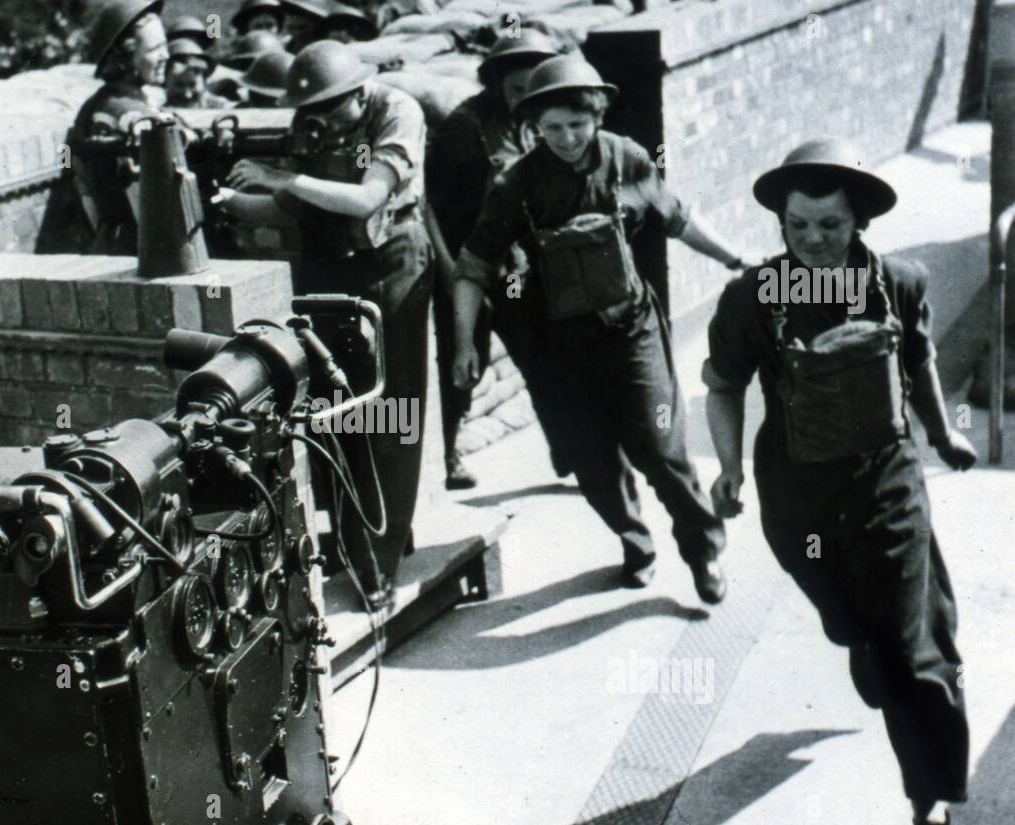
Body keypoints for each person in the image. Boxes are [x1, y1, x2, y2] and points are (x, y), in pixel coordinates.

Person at [703, 139, 974, 825]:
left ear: (858, 221)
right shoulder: (753, 298)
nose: (814, 240)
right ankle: (864, 641)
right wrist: (729, 467)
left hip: (887, 479)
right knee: (853, 625)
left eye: (830, 224)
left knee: (911, 645)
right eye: (799, 226)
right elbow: (723, 385)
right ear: (782, 226)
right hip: (798, 500)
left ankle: (930, 798)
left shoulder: (901, 281)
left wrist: (943, 436)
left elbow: (919, 360)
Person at [451, 57, 753, 603]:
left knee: (662, 451)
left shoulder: (628, 159)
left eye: (577, 124)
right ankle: (634, 539)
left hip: (631, 331)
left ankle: (703, 550)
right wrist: (461, 346)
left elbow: (678, 218)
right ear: (533, 128)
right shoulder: (516, 185)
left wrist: (736, 259)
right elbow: (473, 267)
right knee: (592, 465)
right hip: (559, 349)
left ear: (596, 116)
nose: (566, 138)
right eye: (552, 128)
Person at [218, 40, 432, 610]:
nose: (322, 122)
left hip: (391, 269)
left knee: (391, 414)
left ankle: (377, 566)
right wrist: (232, 199)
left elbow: (367, 198)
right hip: (328, 269)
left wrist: (278, 178)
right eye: (313, 111)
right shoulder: (313, 123)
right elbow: (291, 208)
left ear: (360, 92)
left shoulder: (397, 112)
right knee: (333, 414)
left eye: (333, 109)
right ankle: (356, 540)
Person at [427, 29, 586, 491]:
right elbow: (428, 205)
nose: (525, 93)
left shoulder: (536, 122)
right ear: (496, 80)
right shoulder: (463, 128)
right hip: (466, 271)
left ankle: (568, 448)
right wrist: (447, 269)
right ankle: (450, 454)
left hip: (515, 270)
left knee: (542, 359)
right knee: (460, 365)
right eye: (516, 85)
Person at [69, 0, 168, 255]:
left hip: (127, 238)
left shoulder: (117, 100)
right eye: (155, 48)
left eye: (165, 46)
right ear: (125, 56)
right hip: (134, 246)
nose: (165, 56)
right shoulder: (120, 109)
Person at [163, 38, 229, 109]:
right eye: (179, 85)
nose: (187, 94)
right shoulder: (158, 106)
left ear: (204, 82)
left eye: (192, 85)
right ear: (166, 82)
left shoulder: (219, 106)